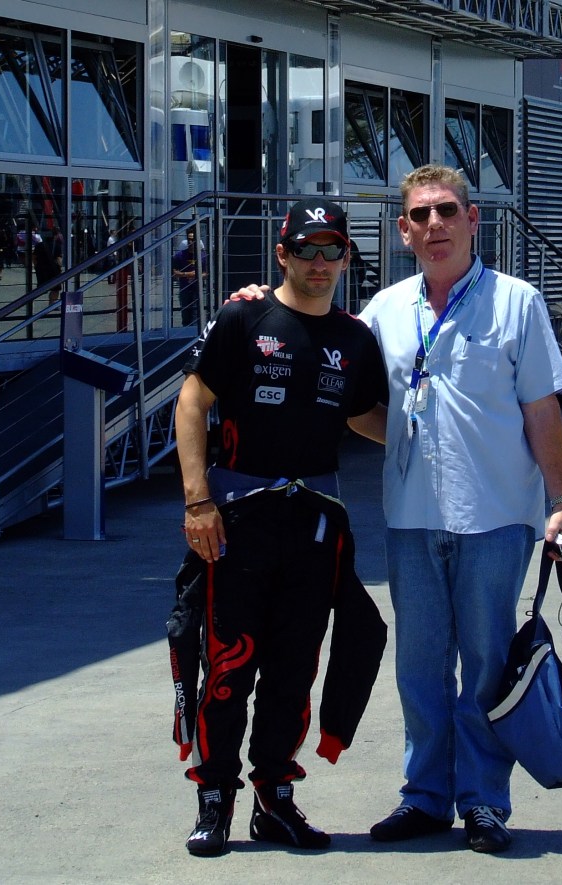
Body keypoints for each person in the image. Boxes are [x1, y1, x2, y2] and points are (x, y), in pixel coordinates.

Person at [361, 165, 562, 854]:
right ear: (403, 231)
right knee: (419, 665)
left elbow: (542, 411)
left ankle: (484, 801)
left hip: (495, 517)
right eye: (419, 215)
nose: (435, 225)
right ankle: (425, 796)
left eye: (447, 211)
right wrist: (258, 300)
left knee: (487, 665)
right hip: (411, 518)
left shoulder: (517, 302)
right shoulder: (383, 311)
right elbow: (350, 395)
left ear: (472, 219)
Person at [174, 197, 389, 857]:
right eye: (306, 249)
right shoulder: (244, 318)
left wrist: (440, 437)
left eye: (332, 250)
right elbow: (192, 401)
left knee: (294, 670)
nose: (319, 262)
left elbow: (362, 416)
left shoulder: (355, 339)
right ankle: (215, 797)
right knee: (229, 664)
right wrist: (197, 500)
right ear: (282, 254)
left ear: (346, 257)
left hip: (315, 529)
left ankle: (275, 800)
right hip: (236, 522)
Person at [173, 226, 207, 327]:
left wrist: (196, 275)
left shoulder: (203, 256)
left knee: (196, 314)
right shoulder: (180, 255)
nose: (191, 242)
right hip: (185, 289)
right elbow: (174, 272)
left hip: (197, 290)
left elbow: (206, 274)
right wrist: (187, 274)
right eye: (189, 239)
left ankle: (195, 333)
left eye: (193, 239)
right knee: (186, 315)